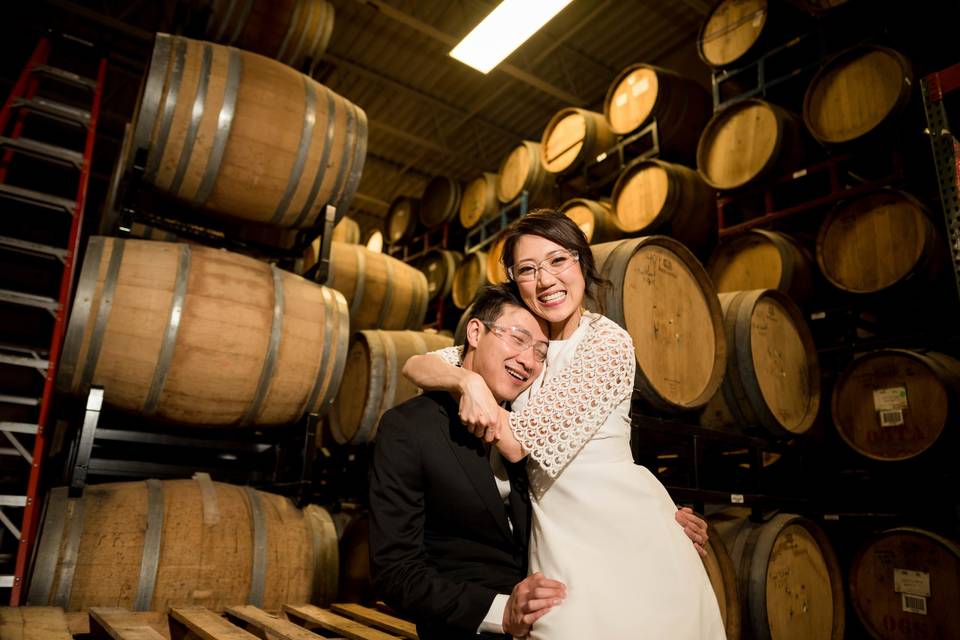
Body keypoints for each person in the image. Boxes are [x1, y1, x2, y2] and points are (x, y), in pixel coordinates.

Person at [403, 210, 726, 639]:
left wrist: (473, 388)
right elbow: (416, 365)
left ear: (581, 262)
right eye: (528, 269)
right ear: (514, 280)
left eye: (558, 260)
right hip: (558, 540)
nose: (546, 280)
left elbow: (518, 444)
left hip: (628, 537)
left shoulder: (607, 343)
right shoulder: (522, 342)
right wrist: (465, 380)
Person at [368, 285, 567, 640]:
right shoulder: (409, 428)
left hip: (555, 618)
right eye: (519, 339)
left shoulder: (531, 425)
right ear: (475, 332)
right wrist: (500, 612)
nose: (529, 361)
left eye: (541, 352)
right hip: (468, 627)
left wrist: (661, 515)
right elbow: (396, 571)